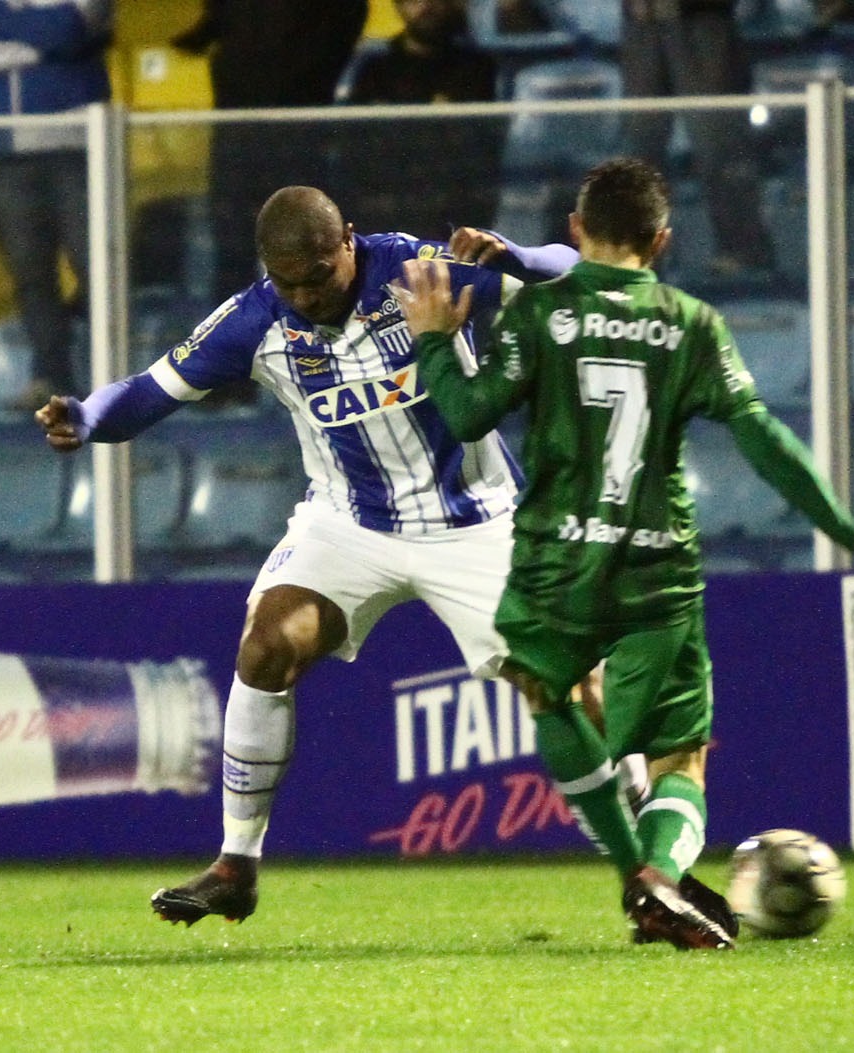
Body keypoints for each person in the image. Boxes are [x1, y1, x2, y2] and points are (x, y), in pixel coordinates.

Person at [33, 185, 578, 926]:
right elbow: (150, 392)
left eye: (318, 275)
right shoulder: (257, 319)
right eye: (288, 282)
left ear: (348, 241)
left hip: (475, 522)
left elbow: (574, 272)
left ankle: (651, 861)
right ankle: (235, 863)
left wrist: (520, 254)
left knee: (567, 687)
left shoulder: (421, 272)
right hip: (348, 526)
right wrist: (87, 415)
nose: (305, 295)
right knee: (264, 648)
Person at [398, 157, 854, 949]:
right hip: (653, 561)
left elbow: (466, 416)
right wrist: (848, 529)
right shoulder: (692, 322)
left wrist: (435, 342)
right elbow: (762, 439)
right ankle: (656, 873)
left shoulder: (542, 316)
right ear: (662, 240)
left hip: (554, 556)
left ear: (575, 231)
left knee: (549, 694)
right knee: (680, 757)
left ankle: (635, 868)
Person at [0, 0, 112, 406]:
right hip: (11, 155)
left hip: (81, 149)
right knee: (32, 277)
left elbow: (70, 28)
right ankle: (52, 377)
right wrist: (41, 49)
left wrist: (5, 27)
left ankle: (114, 376)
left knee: (97, 270)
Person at [170, 1, 368, 296]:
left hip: (297, 132)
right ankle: (238, 336)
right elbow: (207, 31)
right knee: (233, 251)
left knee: (306, 247)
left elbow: (335, 40)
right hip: (235, 133)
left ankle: (314, 334)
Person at [619, 0, 773, 280]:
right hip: (642, 22)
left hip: (702, 21)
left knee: (718, 145)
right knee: (640, 149)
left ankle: (743, 252)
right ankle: (638, 255)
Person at [338, 0, 503, 240]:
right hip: (385, 203)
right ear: (398, 6)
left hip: (451, 209)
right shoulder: (375, 70)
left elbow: (474, 149)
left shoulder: (476, 67)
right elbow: (356, 147)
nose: (425, 6)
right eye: (413, 0)